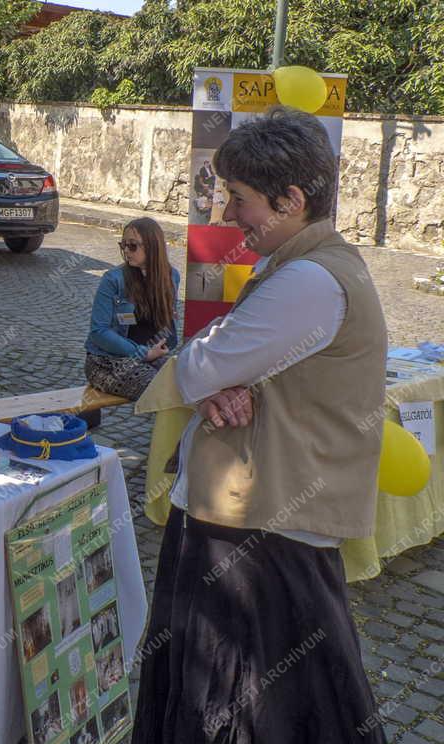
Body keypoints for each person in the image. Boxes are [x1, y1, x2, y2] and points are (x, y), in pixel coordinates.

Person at [132, 107, 387, 743]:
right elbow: (218, 360)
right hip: (258, 522)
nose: (226, 215)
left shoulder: (307, 280)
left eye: (239, 199)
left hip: (261, 534)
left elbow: (195, 365)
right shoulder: (304, 267)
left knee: (248, 705)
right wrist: (222, 379)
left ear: (291, 199)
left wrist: (210, 377)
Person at [84, 217, 179, 401]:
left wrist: (162, 345)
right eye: (123, 245)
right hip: (106, 362)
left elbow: (169, 321)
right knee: (161, 390)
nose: (126, 251)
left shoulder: (171, 276)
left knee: (187, 381)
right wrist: (143, 353)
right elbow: (99, 331)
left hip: (151, 355)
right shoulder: (113, 280)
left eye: (133, 245)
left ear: (152, 246)